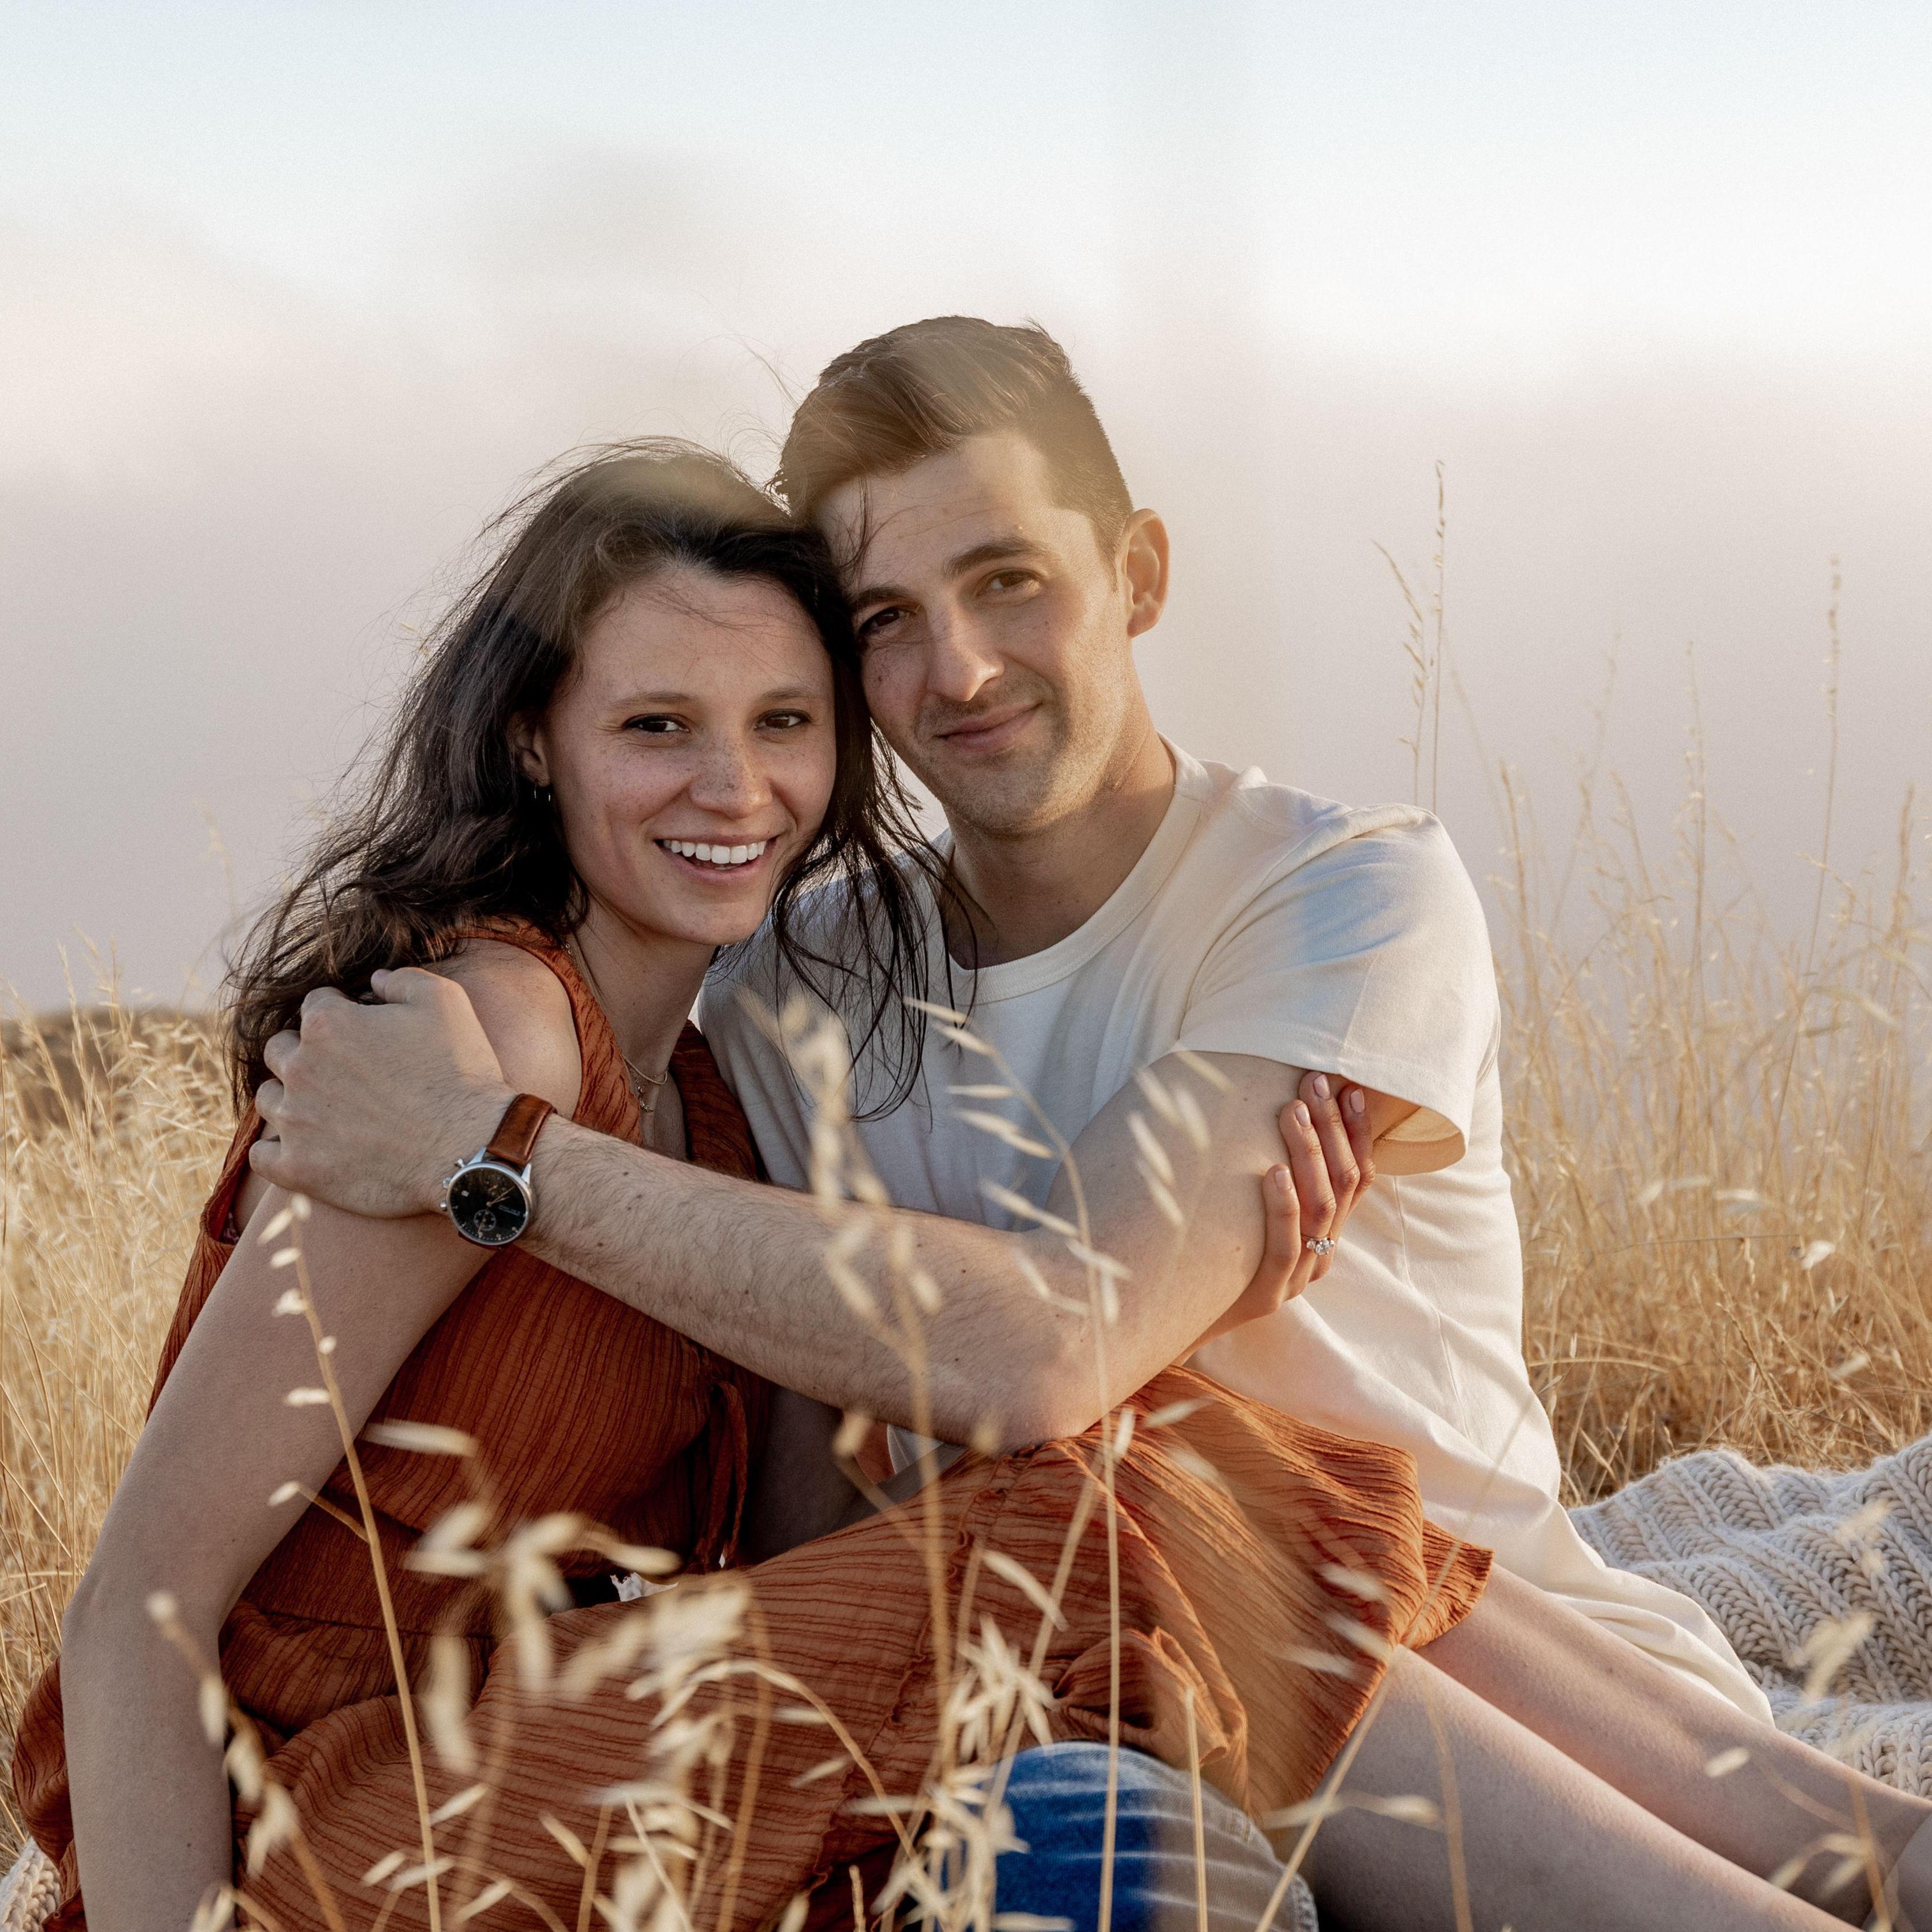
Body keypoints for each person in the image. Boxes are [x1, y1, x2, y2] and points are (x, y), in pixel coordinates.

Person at [246, 324, 1932, 1929]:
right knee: (1105, 1582)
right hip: (1069, 1715)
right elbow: (816, 1536)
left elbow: (1046, 1353)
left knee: (1138, 1435)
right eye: (886, 617)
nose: (958, 668)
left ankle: (1860, 1859)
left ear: (1136, 573)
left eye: (1008, 582)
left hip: (1559, 1754)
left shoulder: (1339, 896)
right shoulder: (793, 981)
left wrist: (502, 1161)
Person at [6, 438, 1469, 1932]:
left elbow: (793, 1559)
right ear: (532, 737)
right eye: (656, 723)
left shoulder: (722, 1100)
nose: (734, 784)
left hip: (576, 1797)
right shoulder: (481, 1038)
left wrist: (1186, 1319)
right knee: (1104, 1518)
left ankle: (1700, 1813)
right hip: (321, 1828)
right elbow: (139, 1604)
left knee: (1154, 1493)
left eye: (784, 720)